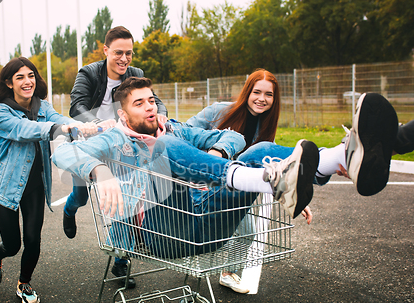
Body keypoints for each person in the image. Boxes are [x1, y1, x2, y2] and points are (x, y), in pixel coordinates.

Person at [52, 77, 326, 287]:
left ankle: (334, 160)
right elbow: (63, 152)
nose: (149, 107)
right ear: (123, 115)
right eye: (139, 104)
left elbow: (234, 137)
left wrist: (215, 155)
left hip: (211, 223)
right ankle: (265, 180)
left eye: (150, 100)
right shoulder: (115, 138)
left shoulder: (173, 127)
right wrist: (100, 170)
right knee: (164, 146)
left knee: (259, 150)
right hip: (165, 234)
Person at [186, 69, 399, 292]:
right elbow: (186, 133)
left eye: (268, 95)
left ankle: (228, 273)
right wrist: (204, 162)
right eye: (256, 92)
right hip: (209, 181)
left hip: (241, 185)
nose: (262, 99)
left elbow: (271, 170)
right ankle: (339, 157)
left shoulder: (265, 127)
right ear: (247, 92)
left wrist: (293, 189)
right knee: (259, 152)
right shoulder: (219, 112)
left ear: (274, 99)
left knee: (247, 232)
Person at [0, 57, 95, 303]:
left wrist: (78, 126)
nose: (27, 81)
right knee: (12, 245)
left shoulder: (43, 107)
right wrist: (56, 129)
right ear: (9, 83)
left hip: (35, 187)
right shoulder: (1, 111)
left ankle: (24, 283)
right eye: (20, 77)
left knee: (33, 239)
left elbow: (60, 118)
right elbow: (23, 130)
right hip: (6, 188)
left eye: (30, 75)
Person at [63, 26, 168, 288]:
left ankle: (121, 260)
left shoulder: (136, 75)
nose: (124, 59)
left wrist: (162, 113)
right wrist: (98, 123)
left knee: (127, 196)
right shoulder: (88, 73)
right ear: (106, 51)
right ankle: (69, 208)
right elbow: (77, 106)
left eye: (129, 53)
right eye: (119, 53)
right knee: (81, 195)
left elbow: (154, 99)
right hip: (93, 142)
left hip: (124, 145)